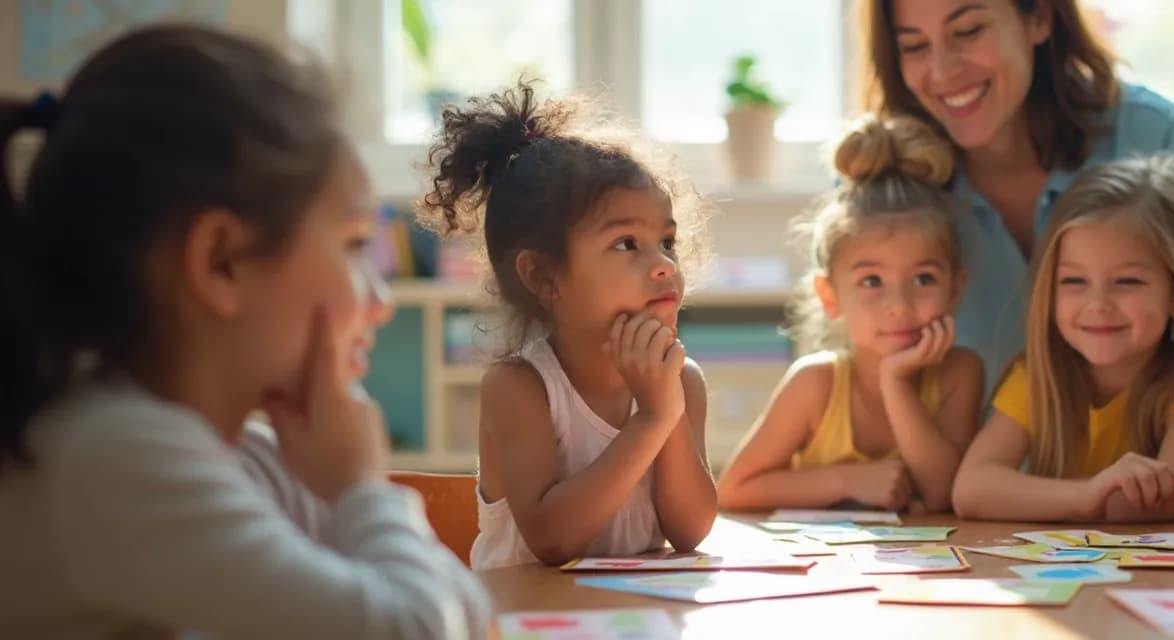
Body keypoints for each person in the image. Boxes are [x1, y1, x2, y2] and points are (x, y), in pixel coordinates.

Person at [0, 25, 488, 638]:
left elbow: (464, 613)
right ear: (220, 262)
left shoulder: (246, 452)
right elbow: (416, 630)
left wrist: (345, 489)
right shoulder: (110, 451)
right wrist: (360, 488)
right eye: (355, 245)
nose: (381, 302)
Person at [855, 0, 1174, 393]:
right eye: (914, 46)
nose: (942, 71)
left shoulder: (1151, 134)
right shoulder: (881, 177)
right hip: (953, 454)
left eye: (969, 31)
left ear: (1040, 17)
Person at [420, 83, 717, 568]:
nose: (664, 264)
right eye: (627, 244)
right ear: (543, 276)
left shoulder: (681, 382)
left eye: (667, 240)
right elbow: (554, 541)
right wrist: (651, 420)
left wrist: (668, 409)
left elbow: (689, 532)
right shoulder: (519, 388)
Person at [953, 156, 1174, 522]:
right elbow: (971, 489)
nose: (1098, 304)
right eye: (1074, 281)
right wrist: (1088, 495)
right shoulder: (1037, 379)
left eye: (1127, 281)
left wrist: (1051, 498)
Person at [717, 115, 983, 512]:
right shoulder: (815, 383)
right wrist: (847, 480)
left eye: (924, 278)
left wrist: (896, 383)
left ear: (955, 290)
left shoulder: (959, 373)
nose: (899, 306)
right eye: (872, 281)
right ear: (830, 295)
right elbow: (735, 490)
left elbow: (943, 495)